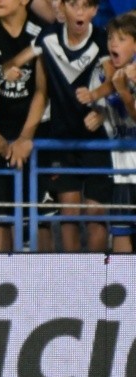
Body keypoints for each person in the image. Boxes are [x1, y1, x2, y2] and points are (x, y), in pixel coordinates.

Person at [0, 0, 52, 251]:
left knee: (40, 219)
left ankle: (44, 275)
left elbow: (42, 91)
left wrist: (26, 137)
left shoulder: (42, 30)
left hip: (33, 130)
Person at [31, 0, 111, 251]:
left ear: (95, 10)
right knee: (69, 215)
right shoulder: (48, 37)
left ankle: (98, 272)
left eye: (86, 6)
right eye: (74, 4)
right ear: (62, 7)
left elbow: (115, 84)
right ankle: (72, 272)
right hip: (62, 139)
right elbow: (40, 90)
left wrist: (101, 111)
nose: (80, 11)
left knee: (96, 216)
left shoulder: (103, 39)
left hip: (97, 141)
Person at [89, 13, 136, 252]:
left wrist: (125, 93)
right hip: (122, 173)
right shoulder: (101, 69)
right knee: (120, 231)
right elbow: (97, 104)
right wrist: (97, 112)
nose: (113, 44)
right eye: (110, 38)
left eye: (121, 39)